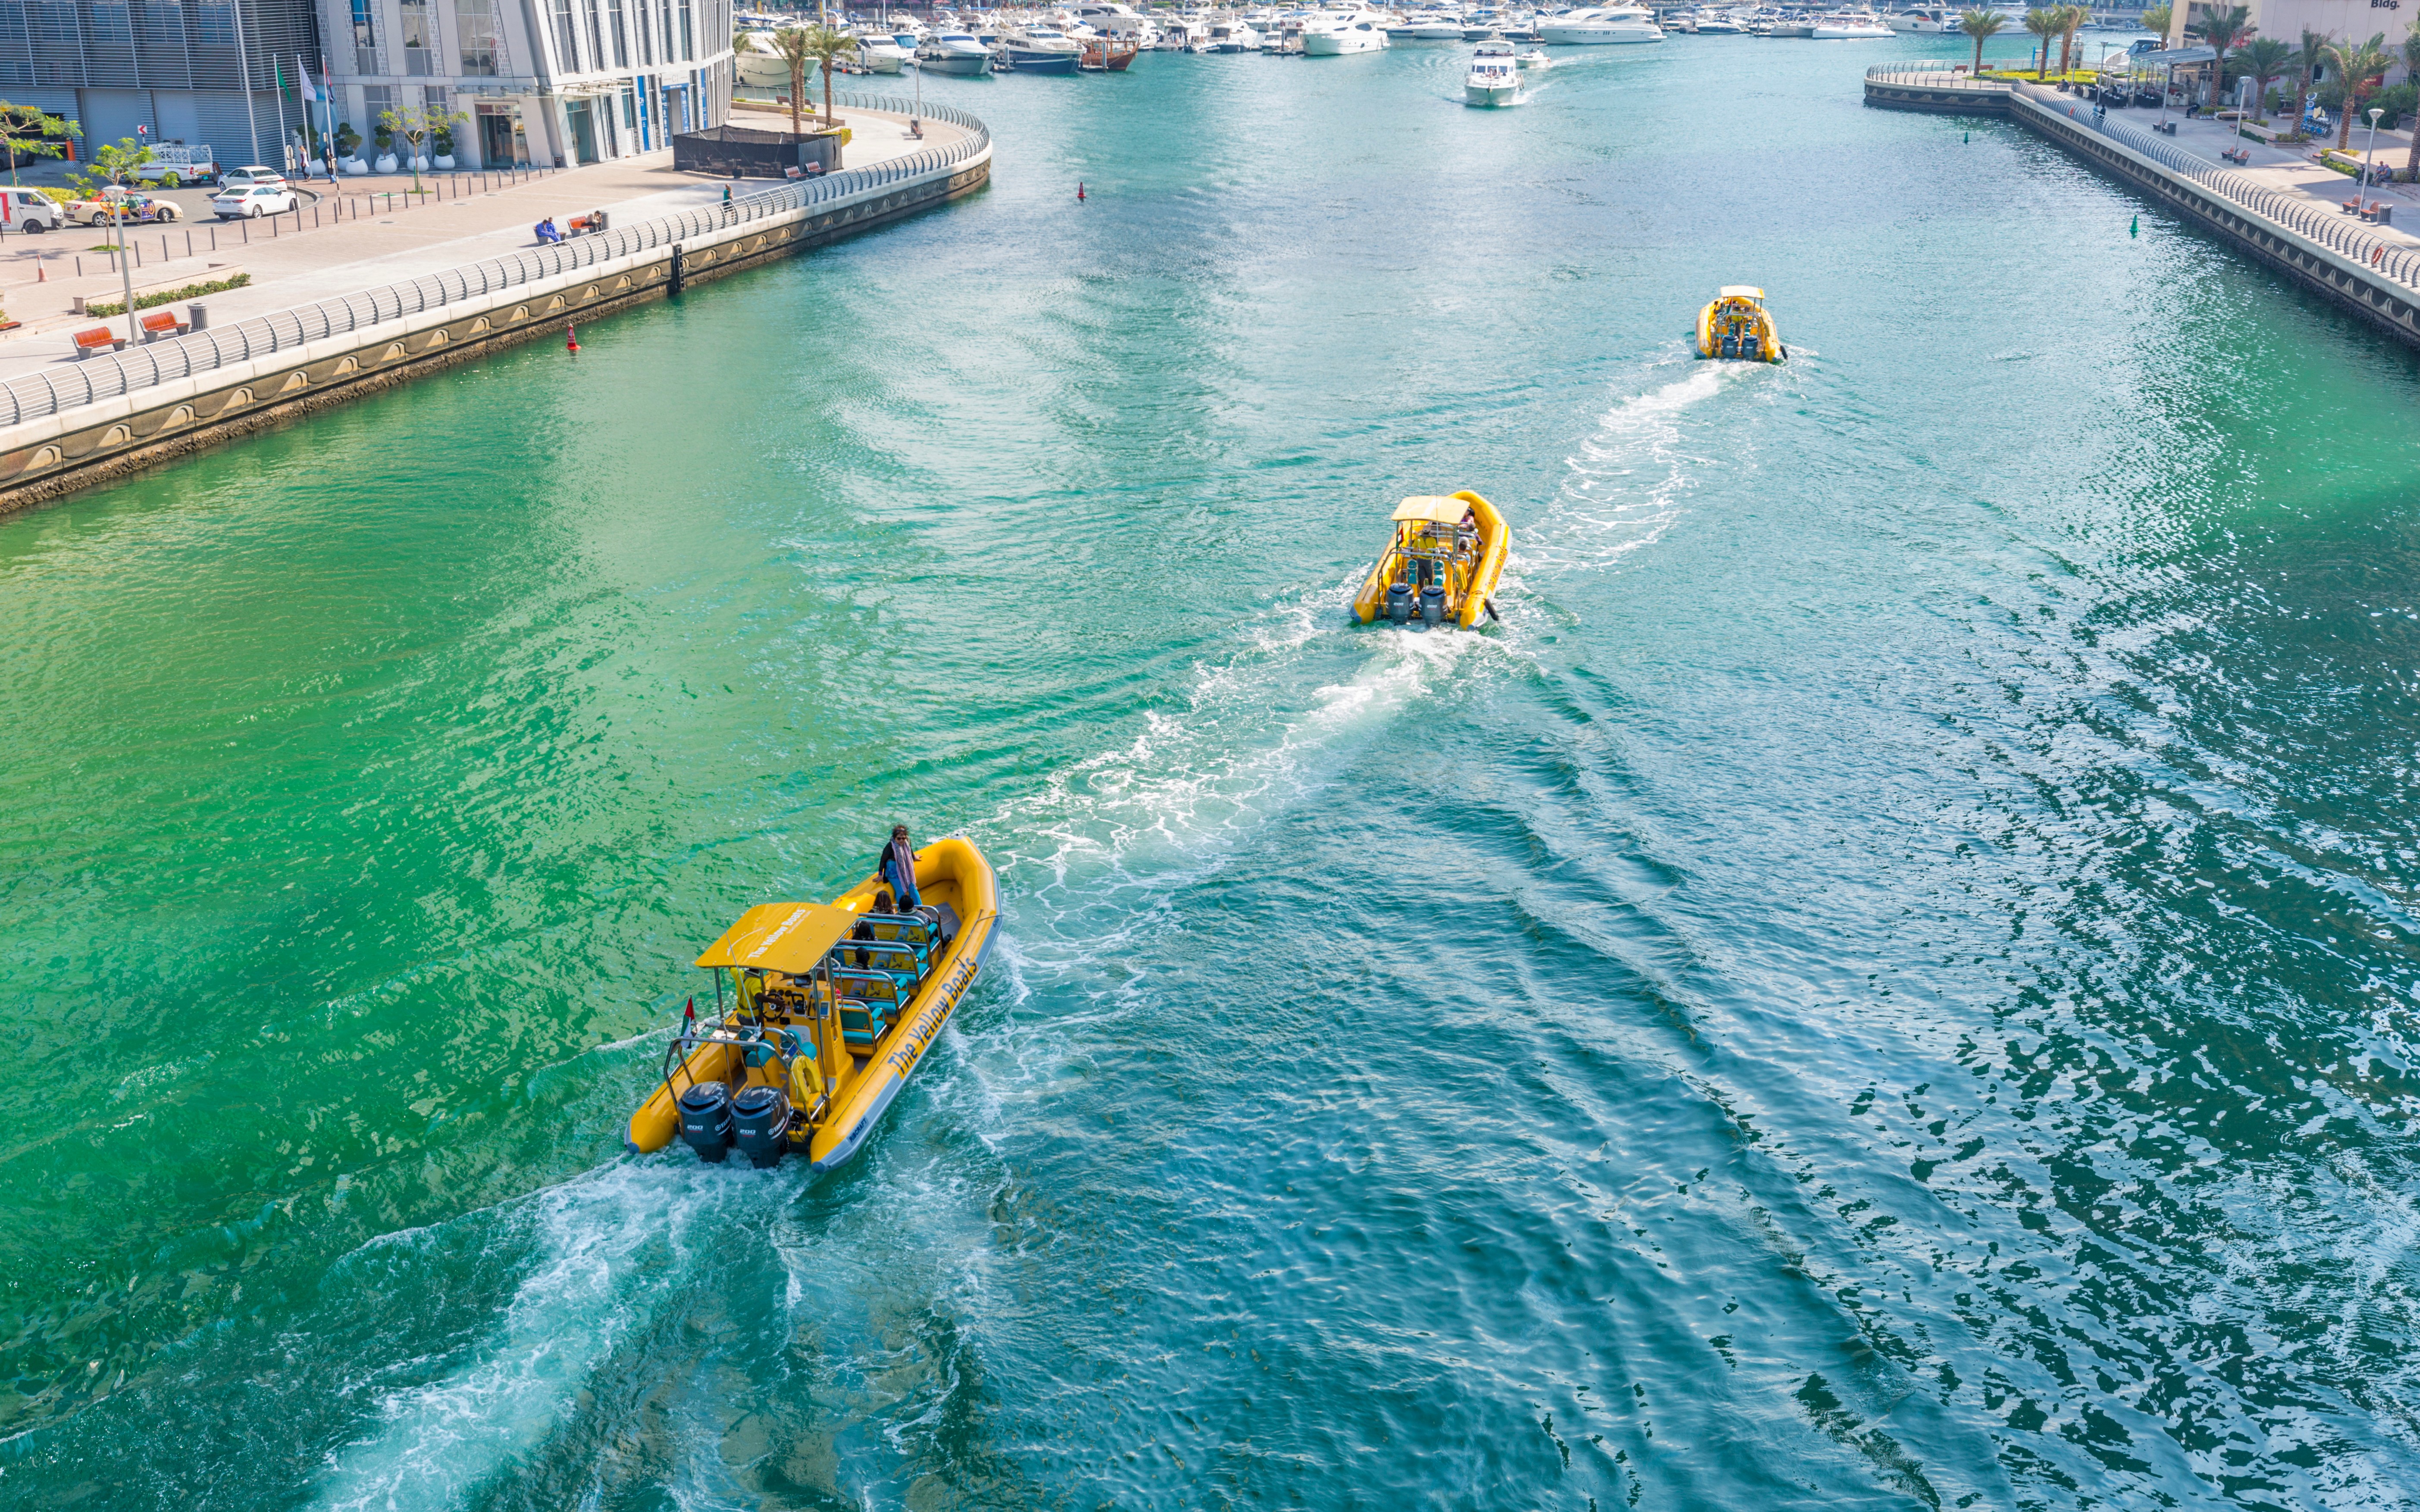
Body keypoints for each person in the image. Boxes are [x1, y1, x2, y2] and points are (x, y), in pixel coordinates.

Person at [877, 825, 921, 910]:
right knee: (901, 891)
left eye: (903, 838)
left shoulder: (907, 843)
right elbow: (883, 860)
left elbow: (910, 851)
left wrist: (914, 857)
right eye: (899, 838)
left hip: (905, 871)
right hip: (893, 873)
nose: (901, 841)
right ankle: (902, 911)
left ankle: (920, 909)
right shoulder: (890, 847)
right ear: (895, 838)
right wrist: (880, 875)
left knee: (913, 888)